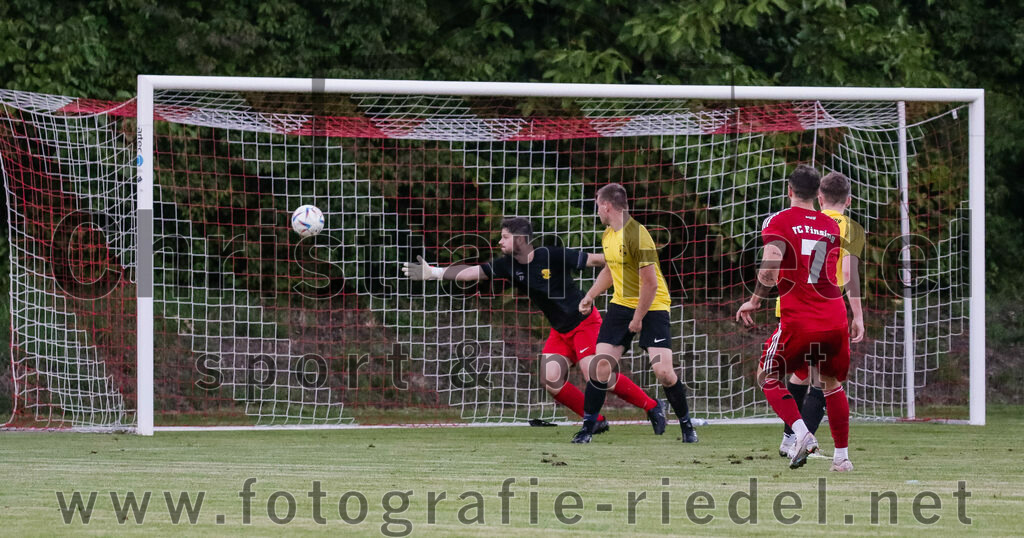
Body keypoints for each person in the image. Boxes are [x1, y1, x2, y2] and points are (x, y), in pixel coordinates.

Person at [402, 217, 663, 434]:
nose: (499, 242)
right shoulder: (507, 265)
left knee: (596, 374)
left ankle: (651, 406)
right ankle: (595, 421)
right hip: (560, 331)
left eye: (504, 237)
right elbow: (473, 273)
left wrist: (626, 266)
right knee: (551, 379)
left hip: (584, 323)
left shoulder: (552, 255)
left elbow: (598, 260)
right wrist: (434, 273)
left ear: (520, 239)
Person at [736, 164, 853, 471]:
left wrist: (754, 300)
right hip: (835, 317)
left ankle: (801, 435)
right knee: (832, 384)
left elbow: (770, 266)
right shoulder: (831, 226)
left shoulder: (779, 220)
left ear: (789, 190)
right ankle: (842, 458)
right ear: (818, 194)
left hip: (801, 317)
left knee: (767, 376)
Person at [575, 183, 697, 444]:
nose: (597, 211)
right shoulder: (609, 234)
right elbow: (610, 270)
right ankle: (587, 428)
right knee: (600, 367)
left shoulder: (638, 235)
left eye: (598, 206)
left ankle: (687, 426)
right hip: (621, 304)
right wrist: (590, 295)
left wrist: (638, 318)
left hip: (652, 304)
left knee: (663, 372)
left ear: (607, 206)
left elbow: (650, 284)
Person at [777, 171, 866, 460]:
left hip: (790, 305)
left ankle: (790, 437)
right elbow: (849, 274)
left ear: (820, 197)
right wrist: (857, 316)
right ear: (849, 200)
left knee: (800, 373)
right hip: (825, 310)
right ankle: (803, 443)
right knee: (823, 379)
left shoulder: (805, 220)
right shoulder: (849, 228)